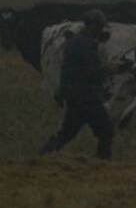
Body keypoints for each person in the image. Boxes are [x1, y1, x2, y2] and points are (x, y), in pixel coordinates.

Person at [38, 9, 114, 160]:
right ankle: (103, 165)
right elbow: (91, 72)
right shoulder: (85, 45)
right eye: (100, 26)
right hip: (87, 97)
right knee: (106, 131)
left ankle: (40, 156)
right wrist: (111, 69)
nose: (101, 30)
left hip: (74, 96)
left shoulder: (75, 42)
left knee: (65, 135)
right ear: (93, 25)